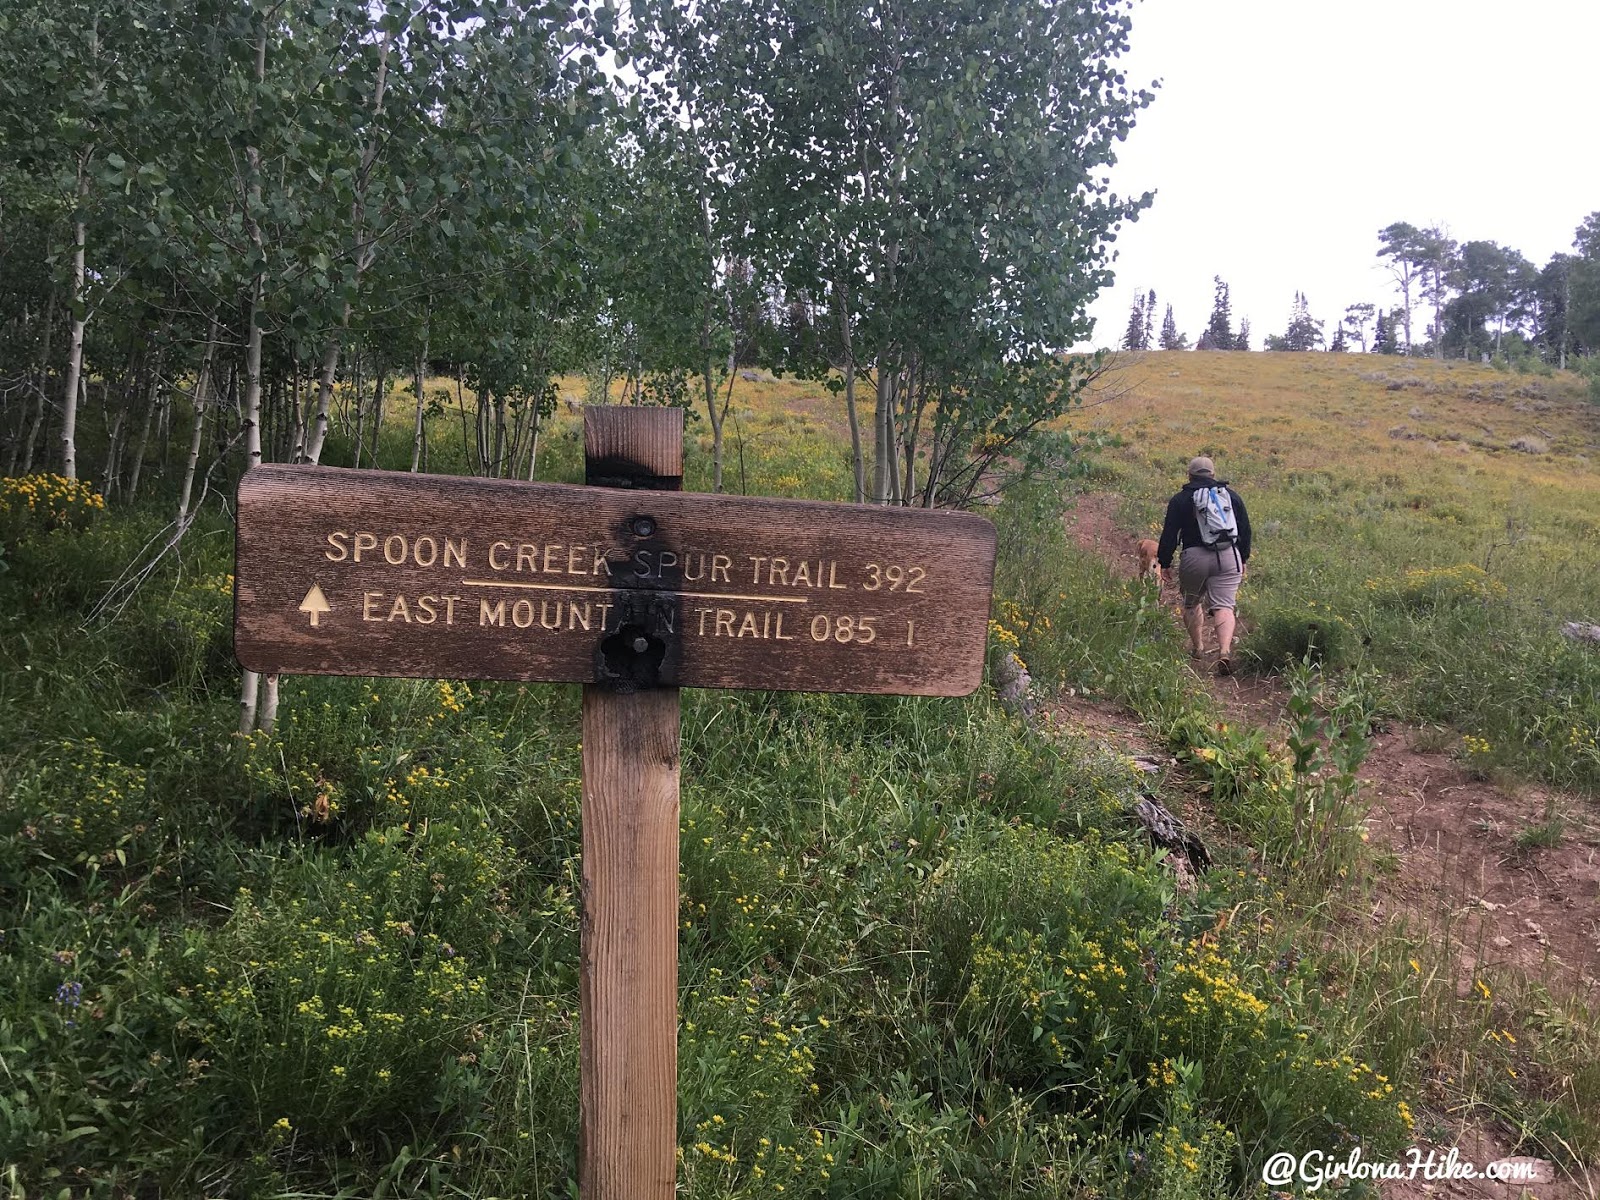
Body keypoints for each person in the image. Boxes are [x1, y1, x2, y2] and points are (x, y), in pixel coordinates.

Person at [1156, 455, 1251, 675]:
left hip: (1194, 557)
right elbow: (1245, 530)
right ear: (1213, 474)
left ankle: (1198, 648)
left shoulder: (1180, 499)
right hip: (1228, 555)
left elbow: (1169, 534)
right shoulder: (1231, 496)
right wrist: (1243, 558)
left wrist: (1165, 562)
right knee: (1225, 606)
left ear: (1189, 475)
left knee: (1191, 603)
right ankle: (1225, 651)